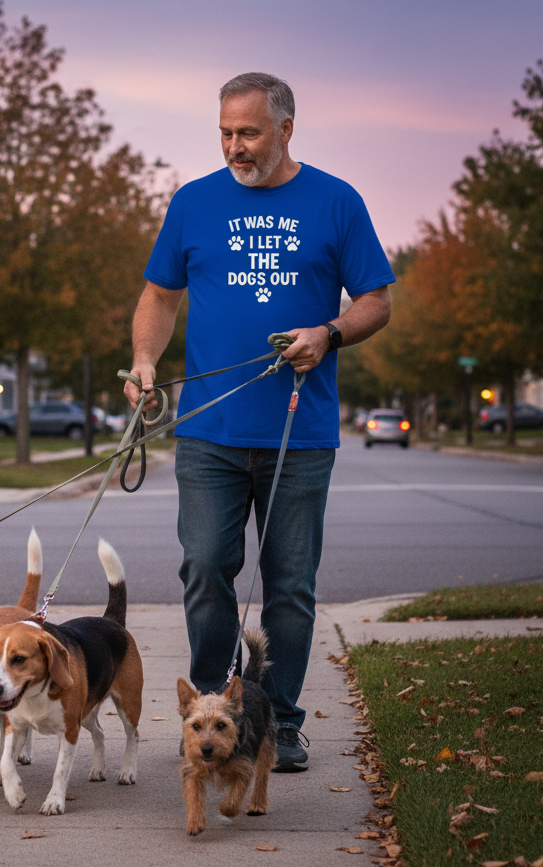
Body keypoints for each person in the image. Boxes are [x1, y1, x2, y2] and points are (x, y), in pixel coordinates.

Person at [124, 72, 395, 771]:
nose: (234, 147)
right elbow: (159, 295)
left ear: (285, 129)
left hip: (298, 435)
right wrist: (145, 361)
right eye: (224, 132)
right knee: (206, 565)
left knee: (290, 587)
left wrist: (330, 333)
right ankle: (210, 710)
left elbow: (376, 302)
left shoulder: (337, 202)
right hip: (209, 434)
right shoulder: (193, 202)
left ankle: (281, 723)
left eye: (247, 133)